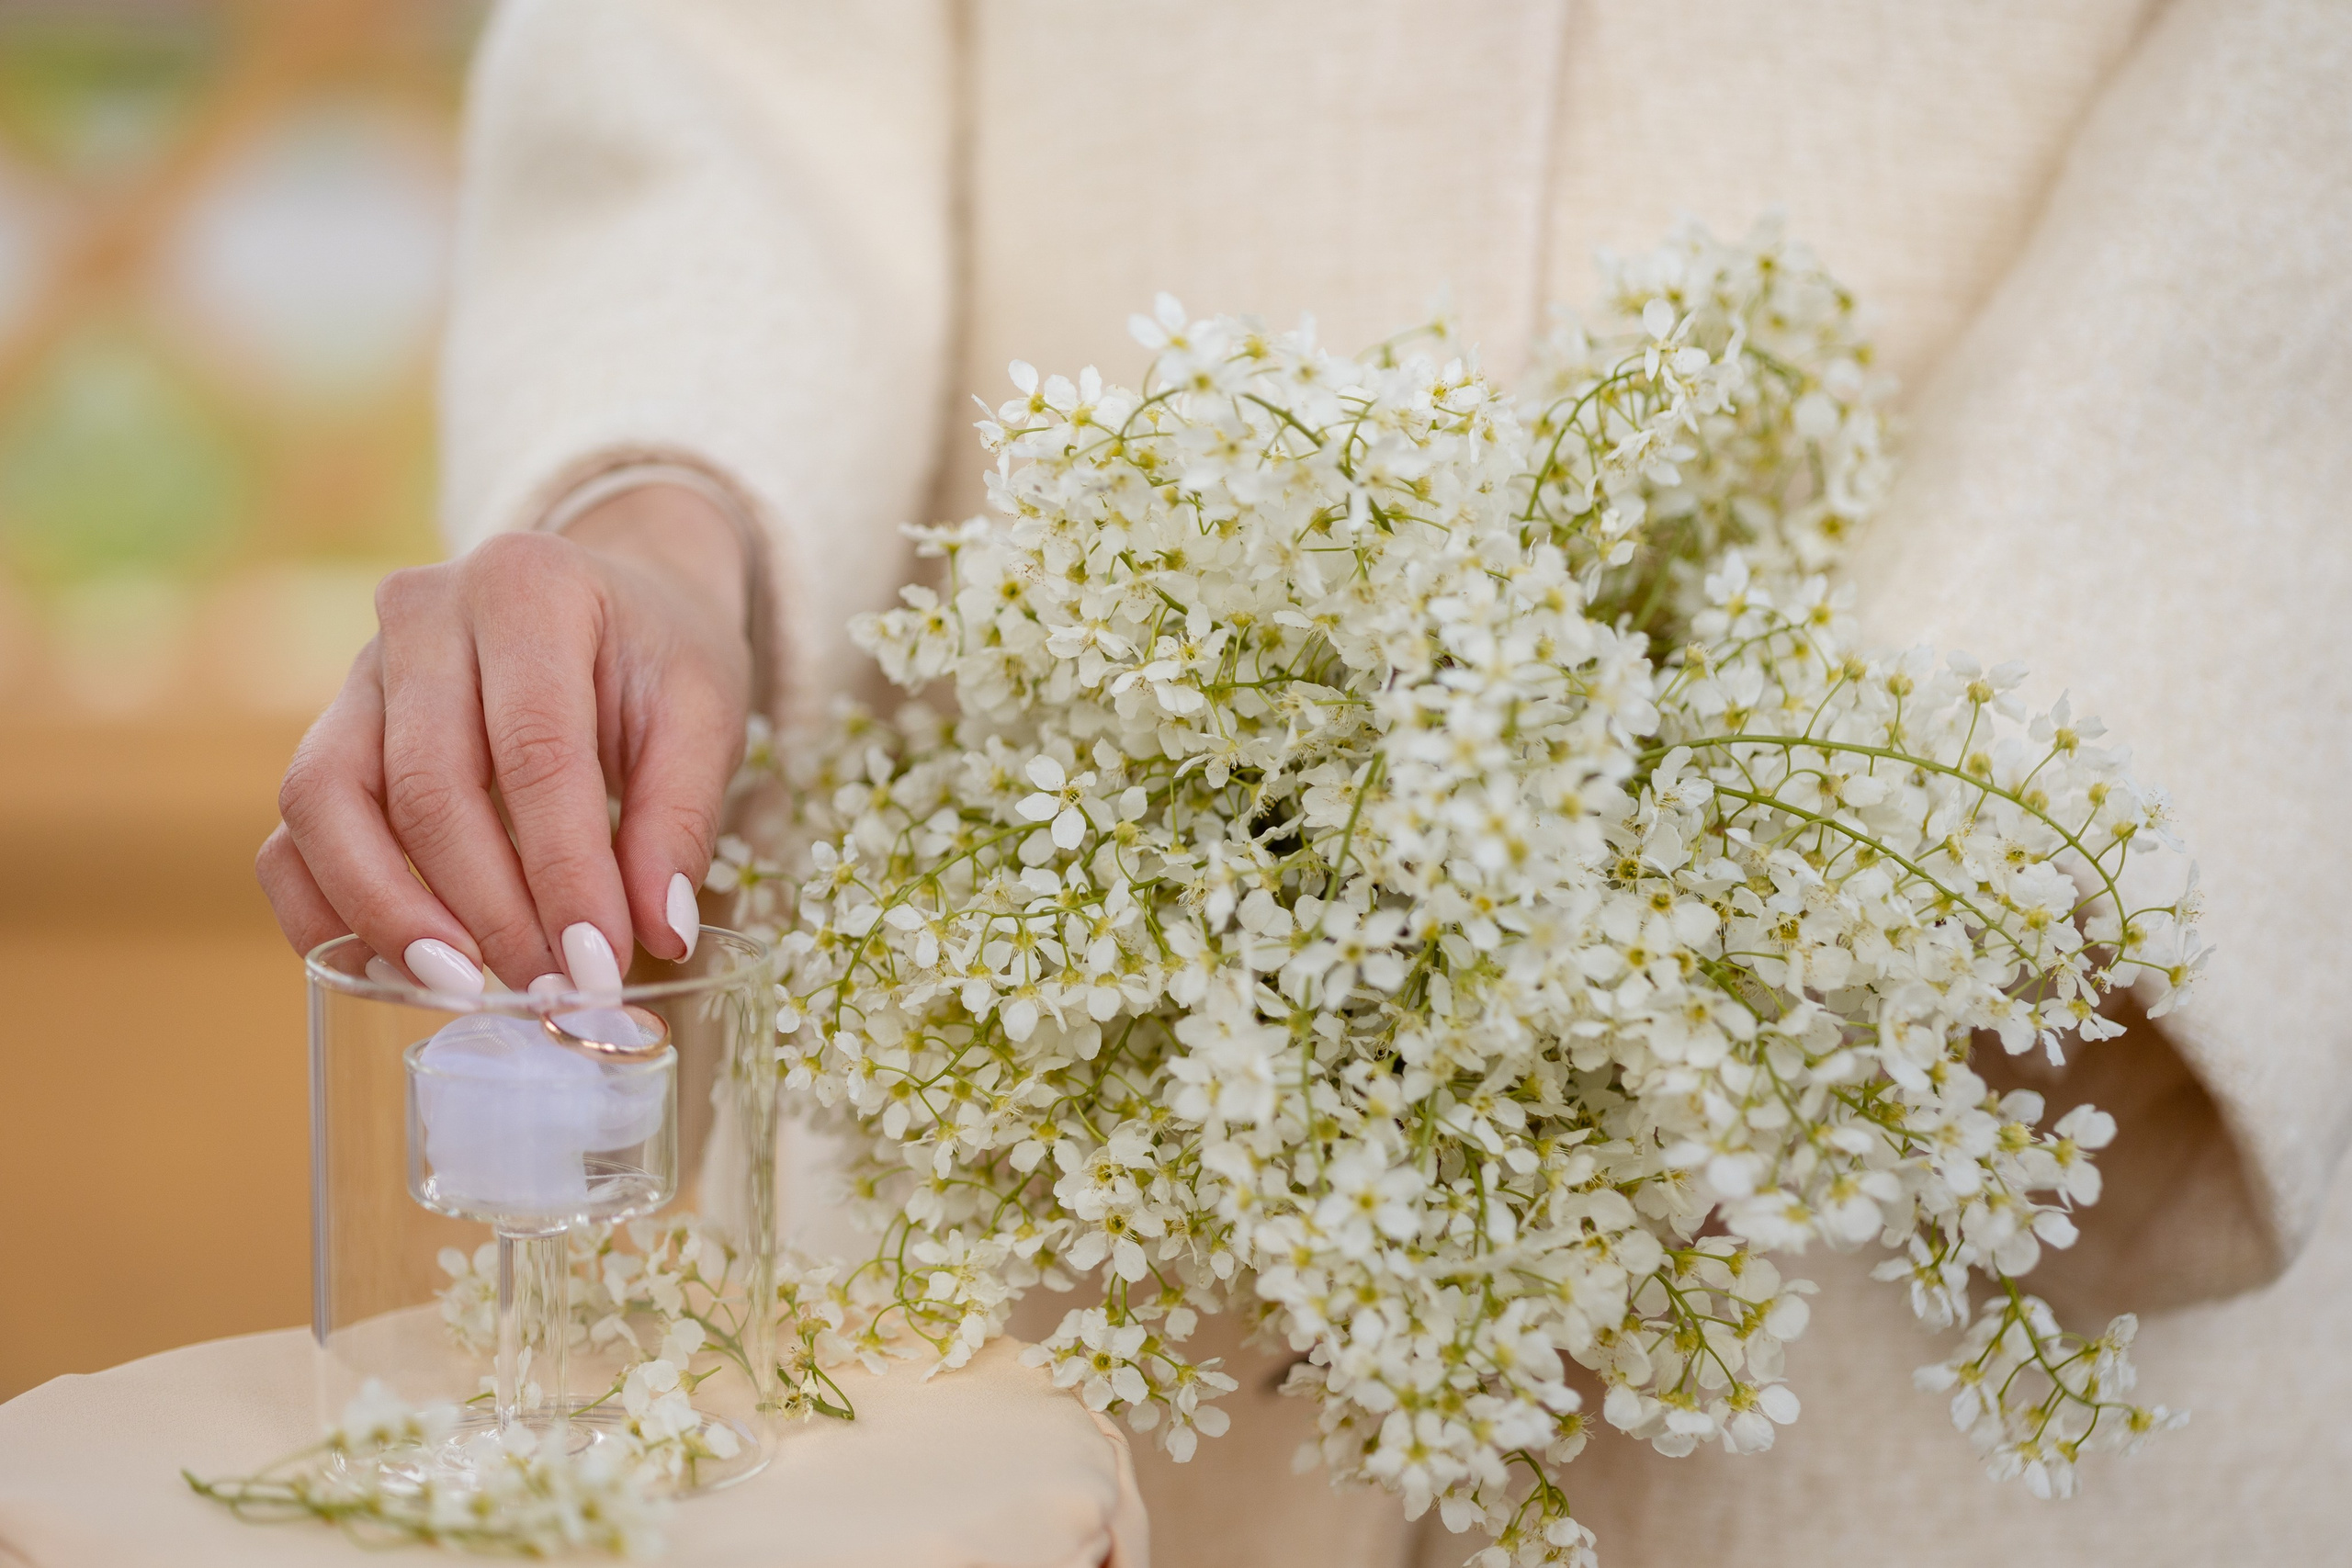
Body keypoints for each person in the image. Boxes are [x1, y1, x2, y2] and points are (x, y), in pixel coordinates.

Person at [259, 4, 2352, 1563]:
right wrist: (665, 522)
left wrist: (1897, 838)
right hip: (1041, 1133)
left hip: (1936, 1180)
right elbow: (745, 67)